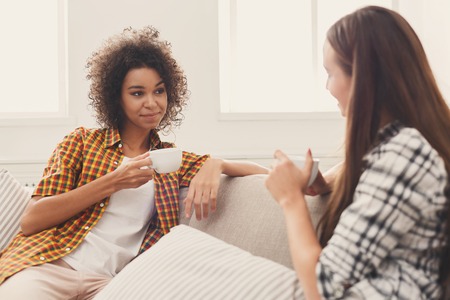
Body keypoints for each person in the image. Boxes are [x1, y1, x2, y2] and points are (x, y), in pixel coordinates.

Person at [0, 26, 268, 299]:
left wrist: (215, 163)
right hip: (49, 266)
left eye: (159, 91)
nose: (152, 103)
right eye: (138, 93)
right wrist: (113, 181)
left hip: (110, 284)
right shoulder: (81, 142)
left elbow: (263, 173)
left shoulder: (168, 158)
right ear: (117, 97)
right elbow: (32, 220)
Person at [265, 6, 450, 300]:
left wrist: (291, 199)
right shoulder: (396, 150)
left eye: (330, 73)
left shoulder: (404, 154)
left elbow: (321, 288)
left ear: (365, 78)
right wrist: (331, 184)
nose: (328, 87)